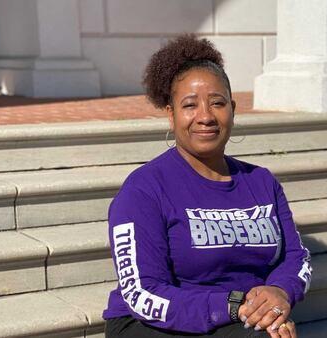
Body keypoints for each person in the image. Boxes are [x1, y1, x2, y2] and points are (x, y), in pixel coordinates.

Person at [102, 34, 312, 338]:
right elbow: (142, 293)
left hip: (238, 318)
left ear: (233, 109)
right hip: (154, 322)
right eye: (190, 105)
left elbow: (296, 256)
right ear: (171, 115)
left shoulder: (262, 182)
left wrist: (278, 293)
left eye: (217, 102)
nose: (205, 116)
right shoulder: (144, 189)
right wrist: (234, 306)